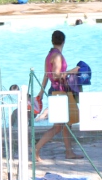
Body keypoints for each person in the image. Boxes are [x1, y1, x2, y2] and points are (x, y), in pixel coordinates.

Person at [34, 30, 83, 160]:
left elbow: (46, 75)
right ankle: (36, 149)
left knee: (67, 123)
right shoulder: (57, 56)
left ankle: (69, 152)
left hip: (55, 92)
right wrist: (72, 71)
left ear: (52, 41)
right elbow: (56, 75)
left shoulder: (49, 55)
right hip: (59, 93)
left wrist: (41, 92)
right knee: (58, 127)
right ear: (63, 41)